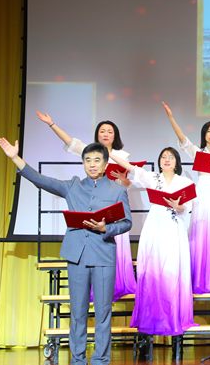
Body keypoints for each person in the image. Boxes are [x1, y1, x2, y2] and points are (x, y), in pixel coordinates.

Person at [0, 138, 132, 365]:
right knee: (78, 312)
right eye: (88, 160)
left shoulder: (117, 190)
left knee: (103, 312)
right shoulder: (73, 186)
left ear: (105, 164)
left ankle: (100, 364)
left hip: (103, 256)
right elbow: (42, 180)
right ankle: (78, 363)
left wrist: (107, 228)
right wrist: (15, 158)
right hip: (77, 256)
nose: (92, 164)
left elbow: (126, 223)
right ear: (83, 163)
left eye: (97, 160)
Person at [36, 112, 137, 301]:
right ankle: (90, 290)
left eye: (110, 131)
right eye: (102, 131)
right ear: (97, 134)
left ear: (115, 135)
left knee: (111, 251)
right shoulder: (90, 151)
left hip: (112, 209)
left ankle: (112, 288)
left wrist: (123, 180)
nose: (106, 134)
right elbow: (70, 142)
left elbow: (127, 183)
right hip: (92, 203)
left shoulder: (123, 156)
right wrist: (51, 124)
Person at [109, 149, 197, 336]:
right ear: (159, 161)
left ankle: (172, 317)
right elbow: (131, 168)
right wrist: (109, 155)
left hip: (174, 228)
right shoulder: (152, 177)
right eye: (164, 157)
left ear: (177, 161)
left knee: (172, 270)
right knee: (154, 270)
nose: (167, 160)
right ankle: (152, 317)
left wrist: (178, 206)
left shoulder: (185, 182)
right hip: (154, 227)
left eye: (171, 157)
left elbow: (187, 208)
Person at [163, 102, 210, 294]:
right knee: (201, 236)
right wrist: (171, 118)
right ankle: (200, 280)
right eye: (208, 131)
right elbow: (183, 139)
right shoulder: (198, 152)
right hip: (203, 197)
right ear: (204, 135)